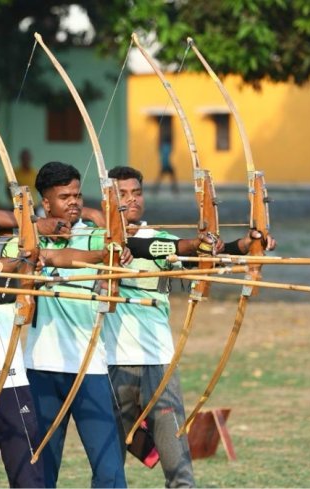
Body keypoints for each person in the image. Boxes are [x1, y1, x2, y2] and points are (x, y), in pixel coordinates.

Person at [101, 166, 276, 488]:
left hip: (158, 360)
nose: (131, 200)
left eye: (136, 193)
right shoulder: (90, 239)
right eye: (122, 195)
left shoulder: (161, 240)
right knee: (110, 466)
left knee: (177, 461)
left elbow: (200, 254)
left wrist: (246, 245)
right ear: (108, 200)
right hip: (109, 362)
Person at [0, 176, 109, 488]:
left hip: (10, 382)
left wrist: (101, 257)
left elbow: (54, 256)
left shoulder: (13, 243)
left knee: (28, 476)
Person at [24, 161, 129, 488]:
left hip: (89, 366)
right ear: (46, 203)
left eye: (77, 195)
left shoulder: (97, 235)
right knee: (43, 469)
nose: (73, 202)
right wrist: (36, 226)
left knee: (110, 469)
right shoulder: (28, 238)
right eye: (64, 196)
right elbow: (35, 248)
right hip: (41, 366)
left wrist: (115, 245)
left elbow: (122, 246)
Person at [153, 117, 179, 195]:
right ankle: (175, 191)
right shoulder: (168, 147)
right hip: (167, 164)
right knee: (171, 177)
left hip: (164, 163)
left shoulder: (163, 147)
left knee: (161, 178)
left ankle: (155, 190)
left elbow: (163, 155)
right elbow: (167, 155)